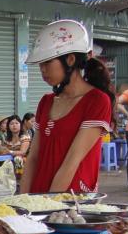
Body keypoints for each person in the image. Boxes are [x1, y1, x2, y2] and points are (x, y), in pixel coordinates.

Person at [20, 20, 114, 194]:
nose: (42, 70)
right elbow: (33, 158)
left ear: (70, 60)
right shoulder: (46, 101)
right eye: (40, 64)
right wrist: (22, 202)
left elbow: (73, 160)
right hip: (38, 198)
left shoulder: (97, 101)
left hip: (73, 204)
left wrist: (49, 205)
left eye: (47, 63)